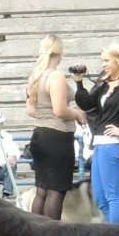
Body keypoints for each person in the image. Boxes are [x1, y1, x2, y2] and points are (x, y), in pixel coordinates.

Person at [25, 34, 86, 220]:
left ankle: (35, 234)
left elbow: (30, 110)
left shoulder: (34, 76)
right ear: (59, 53)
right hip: (57, 138)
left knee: (41, 191)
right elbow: (60, 110)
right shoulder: (56, 76)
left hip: (39, 135)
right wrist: (76, 114)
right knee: (56, 191)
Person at [73, 44, 119, 223]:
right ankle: (115, 231)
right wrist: (78, 81)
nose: (103, 65)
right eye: (102, 61)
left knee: (112, 194)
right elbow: (87, 103)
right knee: (100, 197)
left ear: (118, 60)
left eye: (107, 60)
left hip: (113, 143)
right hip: (99, 143)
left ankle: (118, 235)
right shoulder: (105, 84)